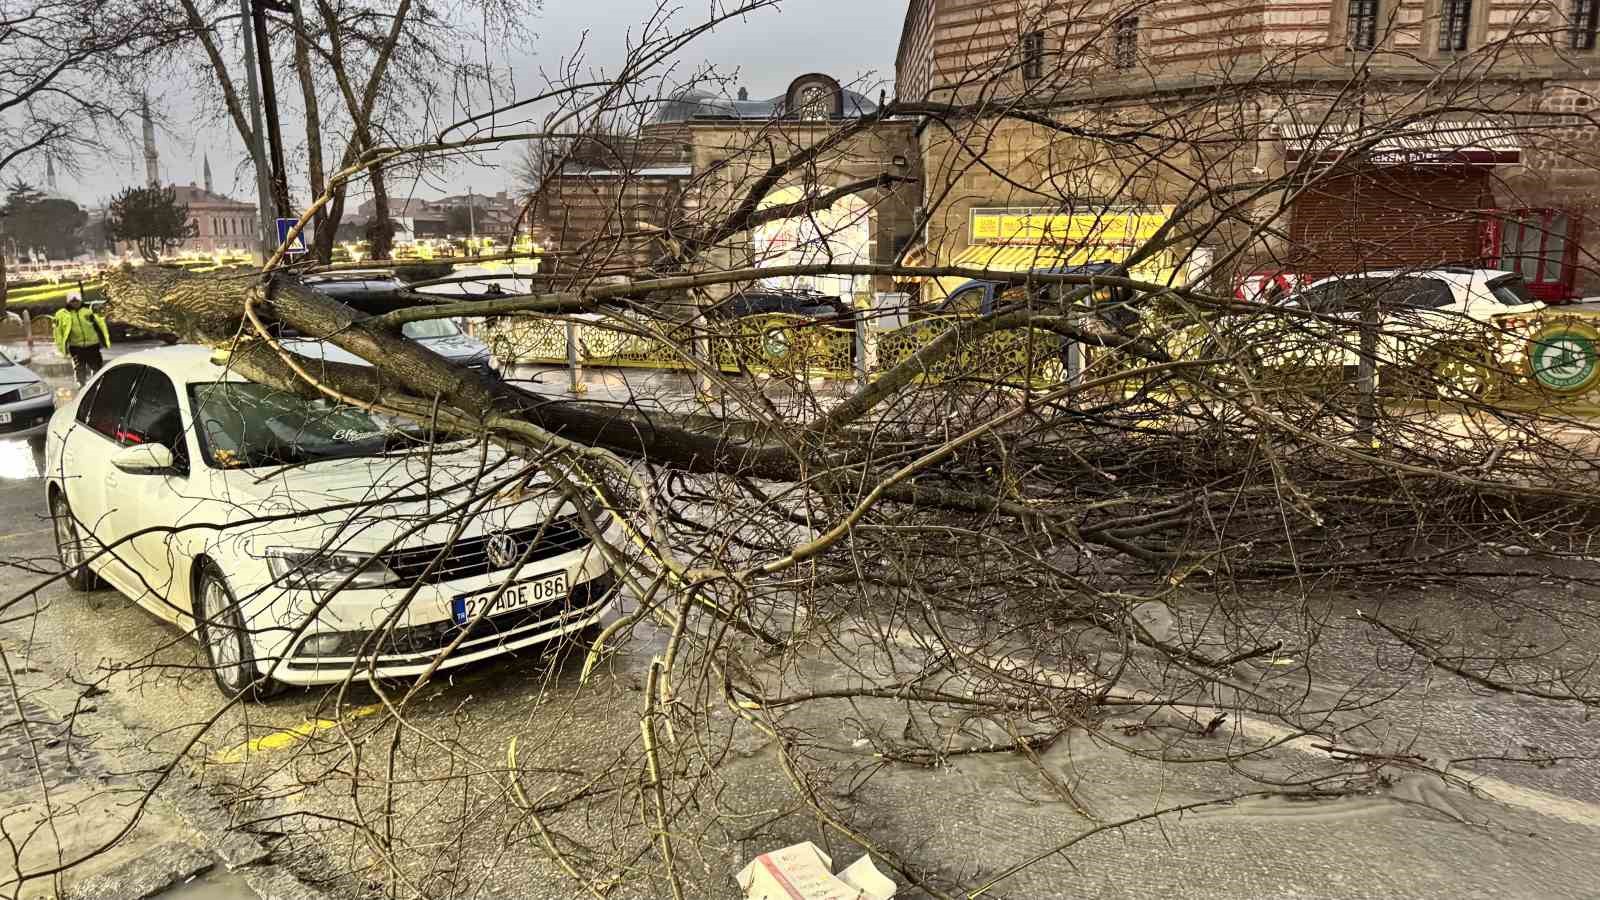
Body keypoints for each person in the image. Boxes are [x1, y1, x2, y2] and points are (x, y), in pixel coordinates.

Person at [52, 293, 111, 386]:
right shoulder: (62, 314)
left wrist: (104, 340)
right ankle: (81, 386)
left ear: (80, 300)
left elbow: (100, 324)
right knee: (79, 368)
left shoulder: (89, 310)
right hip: (76, 346)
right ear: (69, 302)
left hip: (92, 345)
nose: (75, 303)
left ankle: (98, 385)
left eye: (77, 301)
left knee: (97, 368)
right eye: (73, 301)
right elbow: (58, 333)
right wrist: (62, 348)